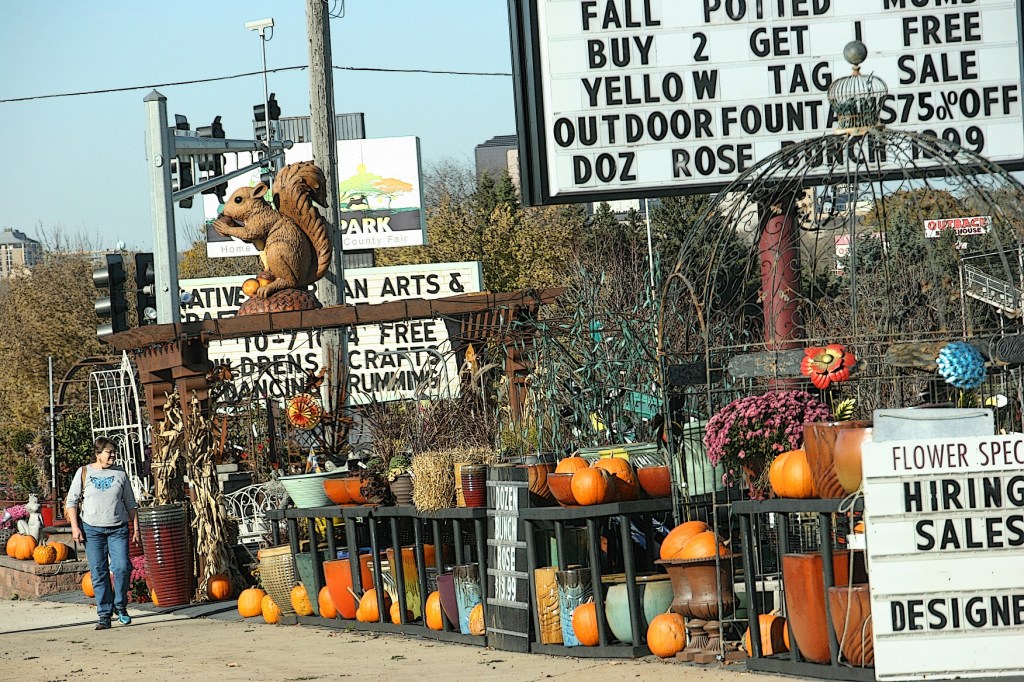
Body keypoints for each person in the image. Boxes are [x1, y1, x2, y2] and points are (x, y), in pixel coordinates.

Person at [66, 437, 140, 630]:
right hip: (92, 529)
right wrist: (75, 527)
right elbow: (71, 502)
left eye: (114, 452)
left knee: (123, 567)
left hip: (118, 528)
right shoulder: (84, 472)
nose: (113, 455)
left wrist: (136, 528)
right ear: (98, 454)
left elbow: (130, 503)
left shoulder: (120, 473)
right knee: (99, 573)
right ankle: (104, 615)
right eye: (109, 452)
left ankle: (120, 605)